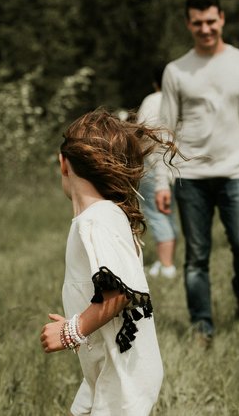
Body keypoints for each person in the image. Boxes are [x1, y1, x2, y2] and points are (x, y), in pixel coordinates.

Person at [40, 109, 178, 416]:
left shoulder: (96, 221)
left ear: (64, 163)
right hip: (112, 365)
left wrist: (70, 331)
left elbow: (117, 295)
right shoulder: (105, 216)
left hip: (122, 376)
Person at [155, 0, 239, 342]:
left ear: (222, 18)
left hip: (237, 170)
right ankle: (202, 327)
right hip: (190, 177)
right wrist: (162, 181)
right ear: (188, 24)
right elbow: (166, 131)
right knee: (196, 258)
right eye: (197, 23)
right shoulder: (176, 70)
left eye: (211, 21)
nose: (205, 29)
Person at [137, 67, 178, 279]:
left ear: (156, 83)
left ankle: (166, 265)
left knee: (157, 213)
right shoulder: (184, 99)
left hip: (154, 165)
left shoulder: (152, 100)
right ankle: (167, 262)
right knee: (168, 215)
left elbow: (142, 132)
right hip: (180, 168)